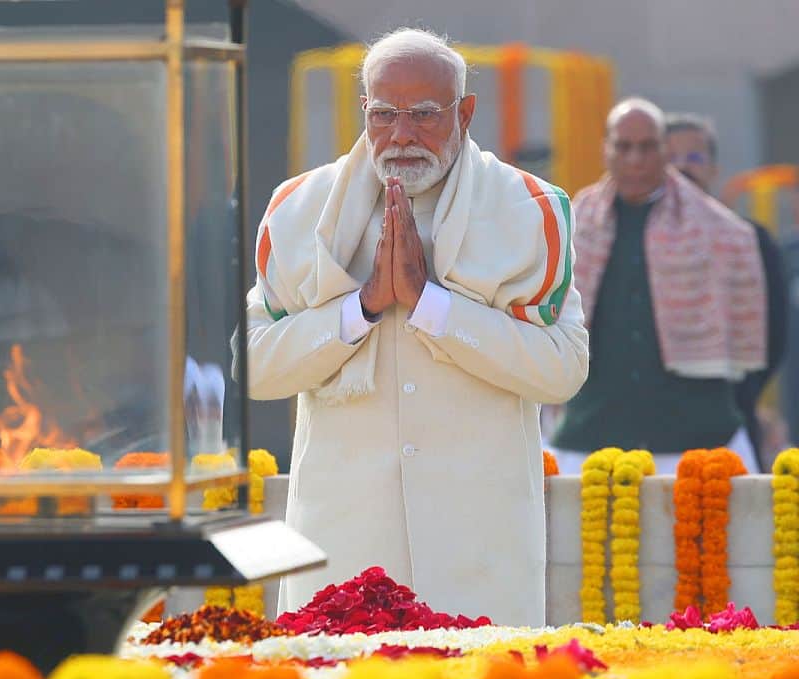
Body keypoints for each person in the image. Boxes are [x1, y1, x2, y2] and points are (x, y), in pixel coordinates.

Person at [245, 27, 588, 626]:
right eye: (385, 114)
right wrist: (363, 307)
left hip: (478, 550)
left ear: (466, 113)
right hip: (341, 548)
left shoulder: (528, 209)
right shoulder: (299, 210)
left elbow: (561, 370)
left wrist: (433, 307)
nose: (401, 134)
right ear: (365, 112)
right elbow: (252, 366)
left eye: (425, 114)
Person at [553, 99, 767, 473]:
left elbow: (759, 348)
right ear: (606, 149)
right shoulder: (572, 224)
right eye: (623, 146)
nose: (635, 159)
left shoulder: (723, 231)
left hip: (696, 439)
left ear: (665, 151)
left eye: (647, 147)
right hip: (590, 435)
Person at [664, 113, 787, 470]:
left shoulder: (747, 239)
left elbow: (772, 337)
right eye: (671, 158)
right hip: (646, 430)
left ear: (714, 169)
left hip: (728, 420)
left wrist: (734, 393)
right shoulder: (630, 239)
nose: (683, 167)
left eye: (695, 157)